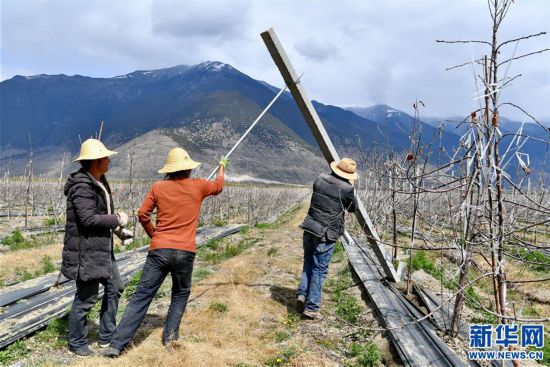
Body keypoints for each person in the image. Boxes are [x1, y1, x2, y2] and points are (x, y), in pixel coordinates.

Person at [103, 147, 226, 357]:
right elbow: (219, 186)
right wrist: (222, 166)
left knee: (142, 295)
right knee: (180, 293)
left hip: (159, 249)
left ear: (169, 170)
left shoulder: (158, 187)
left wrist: (154, 234)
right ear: (188, 168)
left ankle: (117, 345)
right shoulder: (199, 186)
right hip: (185, 251)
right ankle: (170, 338)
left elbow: (143, 214)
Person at [62, 138, 132, 356]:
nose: (109, 160)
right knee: (86, 298)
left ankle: (107, 335)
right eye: (105, 157)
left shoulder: (100, 180)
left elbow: (101, 212)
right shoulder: (82, 186)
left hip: (101, 248)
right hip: (87, 251)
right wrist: (117, 220)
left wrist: (119, 232)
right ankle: (77, 342)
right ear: (95, 161)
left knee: (116, 286)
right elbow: (88, 219)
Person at [297, 158, 358, 320]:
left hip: (310, 226)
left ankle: (302, 295)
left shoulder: (320, 178)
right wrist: (351, 189)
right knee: (320, 269)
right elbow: (352, 209)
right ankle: (312, 307)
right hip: (326, 233)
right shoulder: (346, 189)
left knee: (308, 263)